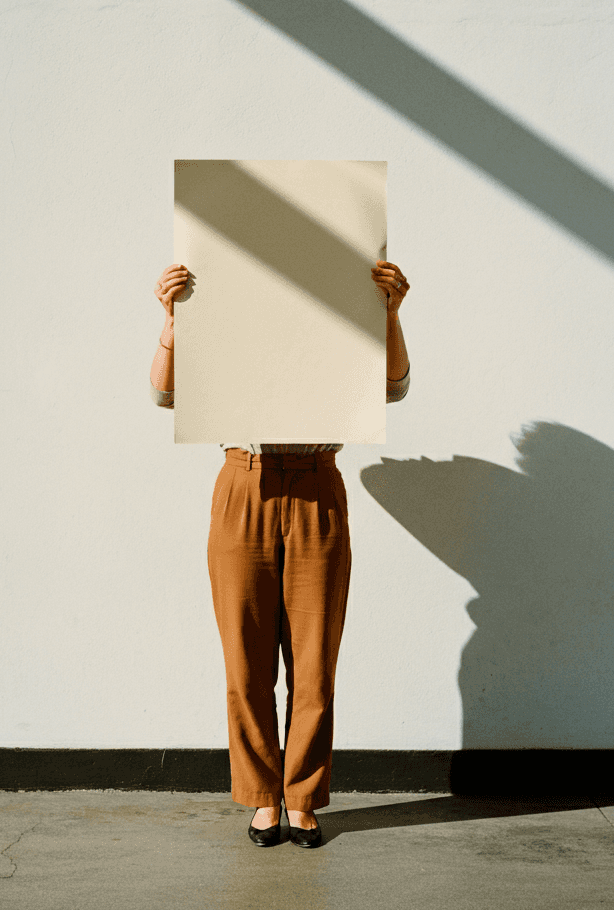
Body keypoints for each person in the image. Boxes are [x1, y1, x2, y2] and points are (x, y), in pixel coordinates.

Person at [149, 260, 411, 847]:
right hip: (245, 480)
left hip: (317, 481)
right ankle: (264, 798)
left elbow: (392, 387)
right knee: (247, 662)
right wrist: (173, 321)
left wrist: (389, 315)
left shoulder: (335, 308)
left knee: (314, 664)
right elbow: (163, 394)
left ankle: (303, 798)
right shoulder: (228, 310)